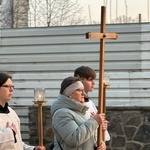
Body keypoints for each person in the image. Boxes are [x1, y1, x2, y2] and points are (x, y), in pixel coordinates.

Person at [51, 76, 108, 150]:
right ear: (69, 93)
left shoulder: (82, 111)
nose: (84, 94)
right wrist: (94, 121)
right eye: (80, 90)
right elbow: (73, 139)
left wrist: (99, 144)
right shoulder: (62, 114)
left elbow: (88, 136)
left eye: (83, 90)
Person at [0, 72, 45, 150]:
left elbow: (17, 143)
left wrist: (33, 149)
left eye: (12, 86)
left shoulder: (12, 113)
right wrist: (9, 133)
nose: (11, 90)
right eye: (7, 86)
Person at [74, 66, 110, 141]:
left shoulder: (90, 103)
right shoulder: (74, 104)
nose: (93, 83)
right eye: (90, 80)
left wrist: (102, 128)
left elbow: (99, 128)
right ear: (80, 80)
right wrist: (95, 122)